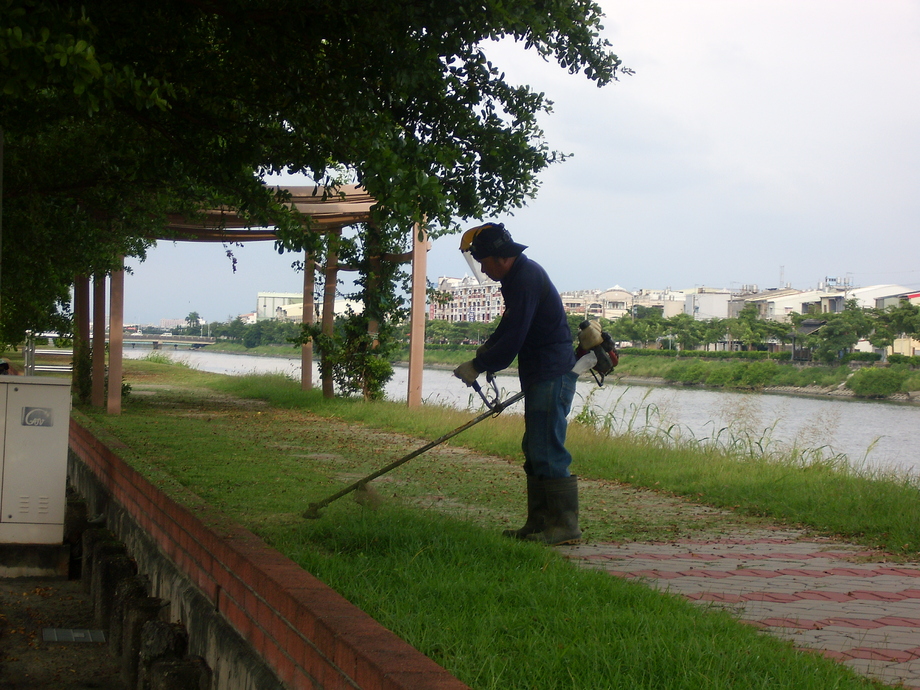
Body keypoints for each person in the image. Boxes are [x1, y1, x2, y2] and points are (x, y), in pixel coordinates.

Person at [452, 223, 581, 545]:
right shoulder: (518, 277)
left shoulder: (524, 278)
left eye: (483, 261)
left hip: (552, 373)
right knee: (535, 447)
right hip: (541, 372)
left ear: (499, 257)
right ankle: (538, 523)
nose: (482, 268)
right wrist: (484, 354)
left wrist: (480, 364)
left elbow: (514, 336)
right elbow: (508, 327)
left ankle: (564, 527)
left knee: (547, 448)